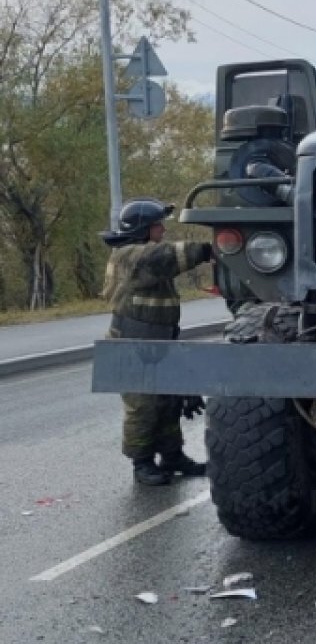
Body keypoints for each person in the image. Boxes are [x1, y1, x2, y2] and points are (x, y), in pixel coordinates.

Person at [100, 199, 214, 486]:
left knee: (168, 402)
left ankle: (172, 456)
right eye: (156, 225)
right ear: (141, 230)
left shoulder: (144, 258)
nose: (162, 229)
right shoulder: (129, 255)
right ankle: (142, 463)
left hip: (157, 344)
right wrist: (211, 249)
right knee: (143, 406)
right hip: (131, 345)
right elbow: (166, 256)